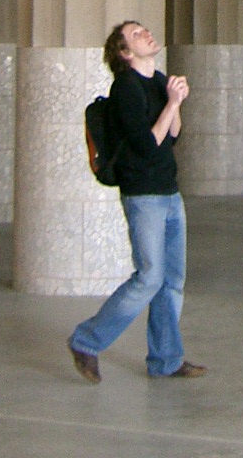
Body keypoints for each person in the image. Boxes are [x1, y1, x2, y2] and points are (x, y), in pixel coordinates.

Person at [67, 21, 206, 382]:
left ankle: (166, 359)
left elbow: (172, 136)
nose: (147, 34)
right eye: (136, 33)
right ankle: (87, 340)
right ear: (125, 53)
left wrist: (176, 102)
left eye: (144, 29)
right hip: (143, 194)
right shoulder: (125, 88)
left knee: (172, 280)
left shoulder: (158, 80)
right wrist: (172, 103)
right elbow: (147, 144)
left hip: (169, 192)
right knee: (148, 277)